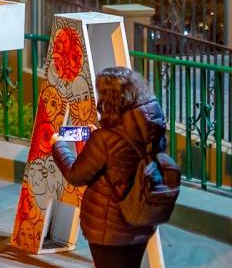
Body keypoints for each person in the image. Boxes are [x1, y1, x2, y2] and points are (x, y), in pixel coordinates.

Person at [52, 66, 167, 268]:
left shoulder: (104, 140)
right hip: (143, 218)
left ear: (110, 97)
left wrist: (58, 144)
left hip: (110, 228)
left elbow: (75, 175)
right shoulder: (152, 125)